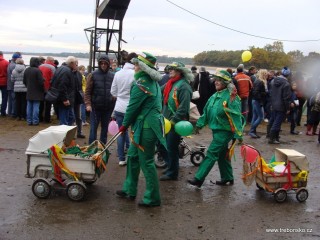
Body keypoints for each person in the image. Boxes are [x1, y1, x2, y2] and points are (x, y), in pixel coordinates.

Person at [115, 52, 166, 207]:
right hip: (143, 127)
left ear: (143, 67)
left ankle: (153, 198)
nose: (134, 67)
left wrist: (124, 125)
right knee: (133, 157)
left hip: (146, 128)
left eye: (136, 64)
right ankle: (129, 189)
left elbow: (132, 108)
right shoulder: (153, 83)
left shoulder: (141, 84)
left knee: (147, 162)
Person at [188, 70, 244, 187]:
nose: (216, 82)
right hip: (216, 130)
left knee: (212, 153)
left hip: (225, 131)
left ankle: (199, 179)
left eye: (219, 80)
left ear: (225, 82)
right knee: (222, 155)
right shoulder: (214, 96)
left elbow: (236, 116)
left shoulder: (232, 97)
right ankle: (227, 178)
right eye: (216, 80)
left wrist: (238, 134)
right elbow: (206, 113)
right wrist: (199, 124)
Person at [159, 62, 193, 181]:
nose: (170, 71)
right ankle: (170, 166)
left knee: (171, 147)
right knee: (161, 145)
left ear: (180, 71)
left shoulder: (184, 86)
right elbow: (158, 91)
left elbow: (183, 108)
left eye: (173, 69)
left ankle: (173, 173)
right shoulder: (170, 83)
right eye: (170, 69)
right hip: (165, 120)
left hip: (175, 123)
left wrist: (173, 122)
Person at [110, 52, 137, 166]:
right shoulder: (135, 74)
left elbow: (113, 92)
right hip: (132, 108)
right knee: (134, 132)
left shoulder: (118, 73)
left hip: (119, 107)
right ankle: (133, 155)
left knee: (121, 132)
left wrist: (121, 95)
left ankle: (121, 158)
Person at [84, 54, 115, 144]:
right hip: (95, 107)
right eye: (101, 63)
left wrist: (113, 99)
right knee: (93, 128)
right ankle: (91, 147)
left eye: (105, 63)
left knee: (105, 129)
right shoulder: (92, 75)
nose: (103, 65)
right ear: (99, 64)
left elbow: (115, 90)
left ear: (108, 64)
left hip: (108, 107)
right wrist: (88, 104)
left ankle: (102, 147)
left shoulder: (112, 76)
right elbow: (87, 92)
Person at [267, 67, 292, 144]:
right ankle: (272, 139)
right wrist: (288, 108)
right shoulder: (286, 84)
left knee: (273, 120)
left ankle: (274, 137)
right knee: (277, 122)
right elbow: (286, 98)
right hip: (281, 106)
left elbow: (270, 93)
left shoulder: (273, 81)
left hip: (274, 104)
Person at [52, 56, 78, 126]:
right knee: (65, 120)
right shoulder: (67, 71)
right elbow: (62, 86)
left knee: (71, 118)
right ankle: (64, 135)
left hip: (62, 98)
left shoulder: (61, 68)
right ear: (72, 63)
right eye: (76, 63)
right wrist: (65, 99)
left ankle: (67, 134)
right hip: (65, 100)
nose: (76, 65)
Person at [23, 57, 45, 126]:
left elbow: (24, 81)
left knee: (29, 106)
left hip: (29, 90)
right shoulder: (37, 71)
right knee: (36, 106)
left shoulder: (26, 70)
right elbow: (41, 82)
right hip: (37, 91)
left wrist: (28, 86)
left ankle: (29, 121)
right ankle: (35, 121)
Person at [248, 69, 267, 138]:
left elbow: (254, 91)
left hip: (255, 100)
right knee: (261, 117)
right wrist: (264, 94)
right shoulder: (260, 82)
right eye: (266, 74)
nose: (267, 75)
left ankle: (253, 131)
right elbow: (256, 92)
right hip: (257, 101)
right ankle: (252, 131)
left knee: (255, 116)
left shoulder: (257, 81)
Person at [39, 56, 56, 123]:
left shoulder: (40, 66)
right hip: (48, 87)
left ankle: (40, 117)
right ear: (51, 61)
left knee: (41, 103)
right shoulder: (52, 68)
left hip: (40, 87)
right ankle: (47, 118)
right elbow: (53, 78)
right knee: (48, 104)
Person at [7, 52, 22, 118]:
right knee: (13, 100)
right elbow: (13, 76)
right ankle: (13, 113)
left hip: (10, 84)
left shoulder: (10, 64)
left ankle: (10, 112)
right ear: (16, 58)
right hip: (13, 85)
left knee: (10, 100)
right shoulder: (13, 66)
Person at [0, 51, 9, 116]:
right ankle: (3, 111)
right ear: (2, 55)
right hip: (4, 81)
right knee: (4, 97)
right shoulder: (6, 62)